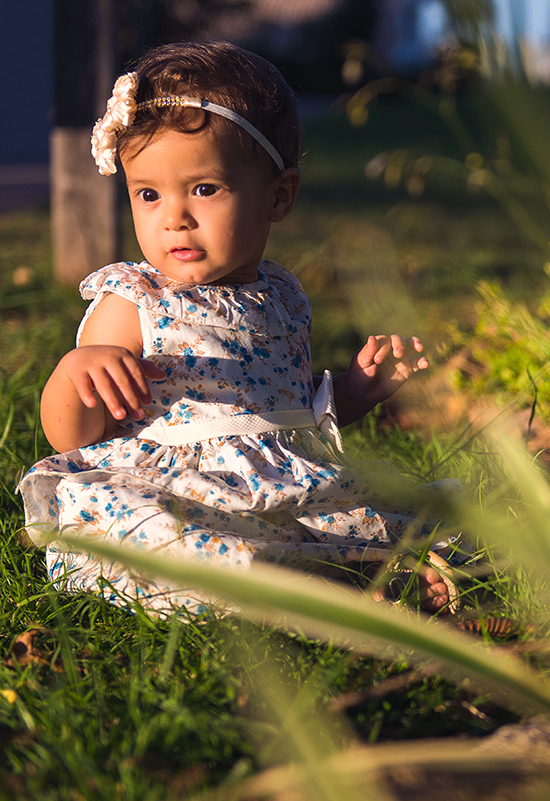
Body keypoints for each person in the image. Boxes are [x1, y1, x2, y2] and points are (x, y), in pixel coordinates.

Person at [18, 41, 457, 615]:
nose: (174, 216)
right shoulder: (133, 301)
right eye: (148, 194)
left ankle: (341, 572)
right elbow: (71, 436)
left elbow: (289, 415)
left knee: (389, 517)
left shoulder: (281, 297)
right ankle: (311, 582)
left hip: (281, 485)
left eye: (204, 189)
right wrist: (75, 374)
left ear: (279, 196)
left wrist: (353, 391)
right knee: (161, 535)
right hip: (178, 489)